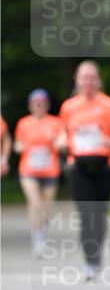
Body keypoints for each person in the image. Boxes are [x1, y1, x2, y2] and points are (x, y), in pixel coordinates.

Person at [59, 61, 110, 281]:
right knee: (86, 213)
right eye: (84, 77)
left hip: (104, 165)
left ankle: (96, 251)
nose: (87, 82)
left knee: (99, 214)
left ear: (98, 80)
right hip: (78, 165)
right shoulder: (69, 107)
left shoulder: (109, 105)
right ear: (77, 80)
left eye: (91, 77)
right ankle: (90, 260)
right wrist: (60, 143)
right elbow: (63, 134)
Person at [13, 89, 67, 255]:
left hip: (50, 170)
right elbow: (17, 145)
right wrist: (22, 147)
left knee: (46, 207)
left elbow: (63, 140)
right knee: (35, 202)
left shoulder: (56, 122)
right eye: (36, 103)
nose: (39, 106)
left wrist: (59, 143)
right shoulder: (24, 123)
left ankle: (42, 232)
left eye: (42, 103)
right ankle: (37, 238)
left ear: (47, 105)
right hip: (28, 170)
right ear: (30, 106)